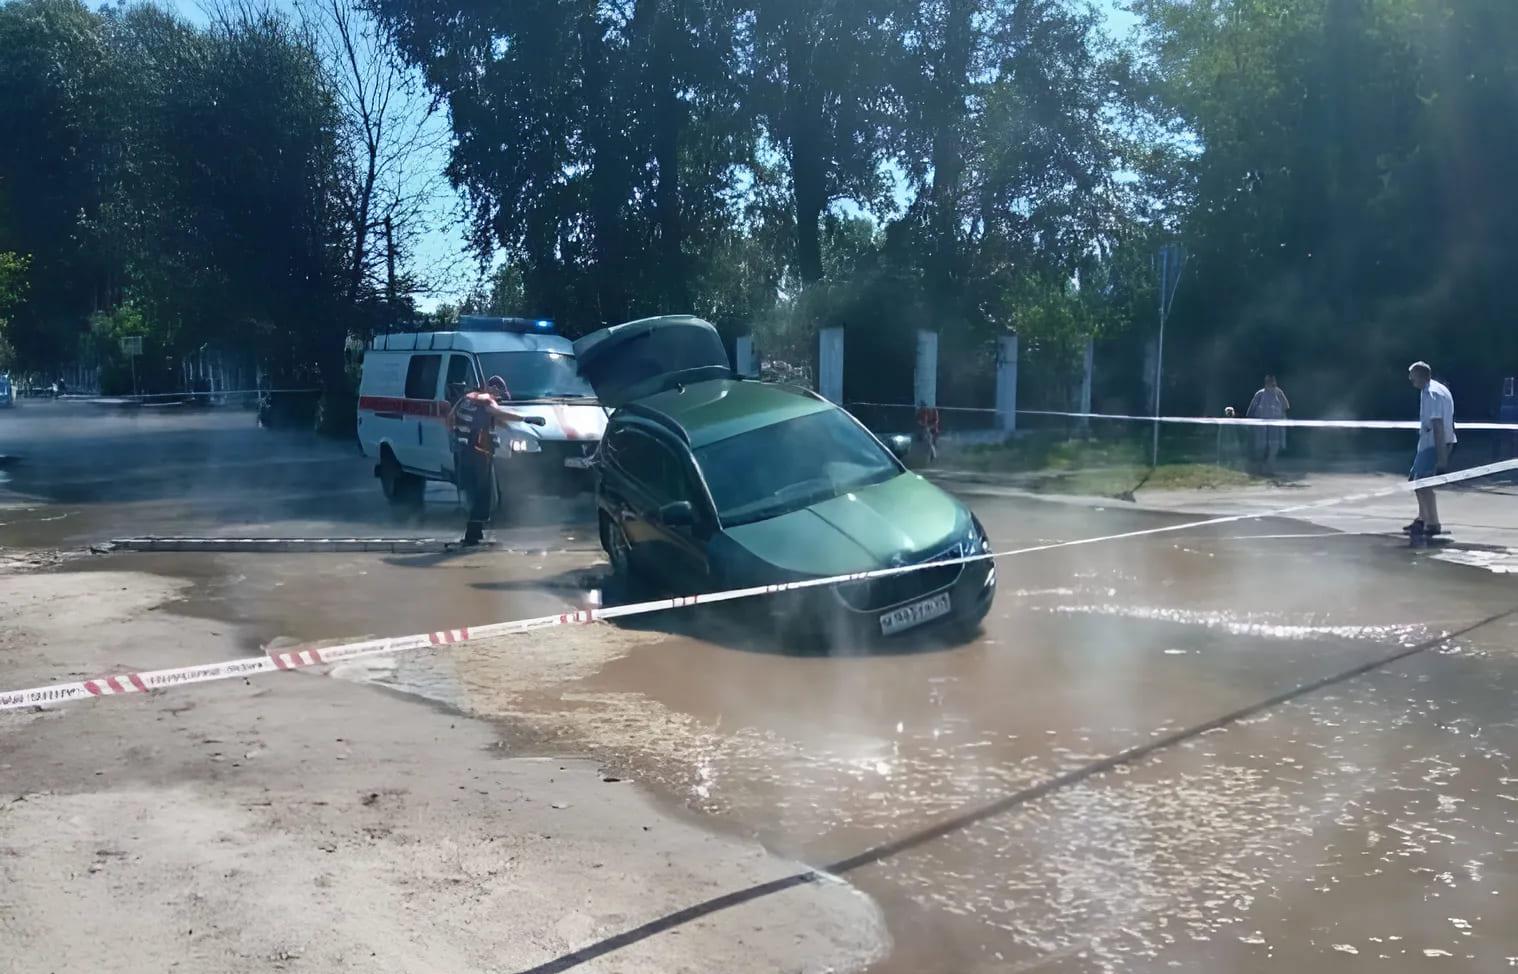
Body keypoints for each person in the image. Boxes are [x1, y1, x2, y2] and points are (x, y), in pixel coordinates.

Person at [449, 375, 541, 546]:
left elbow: (452, 420)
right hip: (478, 454)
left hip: (463, 452)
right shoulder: (485, 400)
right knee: (483, 493)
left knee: (475, 492)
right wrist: (526, 418)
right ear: (492, 389)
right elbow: (498, 413)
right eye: (498, 395)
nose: (498, 399)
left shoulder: (467, 399)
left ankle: (475, 533)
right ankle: (473, 535)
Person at [1406, 361, 1456, 538]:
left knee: (1423, 484)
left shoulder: (1431, 393)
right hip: (1429, 442)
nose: (1411, 381)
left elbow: (1437, 424)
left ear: (1420, 376)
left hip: (1434, 443)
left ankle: (1432, 523)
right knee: (1416, 480)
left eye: (1412, 377)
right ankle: (1422, 518)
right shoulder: (1436, 388)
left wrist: (1442, 457)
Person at [1246, 374, 1290, 476]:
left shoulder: (1279, 393)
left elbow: (1286, 406)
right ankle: (1259, 471)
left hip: (1275, 428)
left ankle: (1270, 471)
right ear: (1266, 383)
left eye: (1274, 382)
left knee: (1273, 449)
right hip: (1261, 429)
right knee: (1260, 449)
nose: (1273, 384)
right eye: (1270, 382)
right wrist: (1251, 423)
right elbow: (1251, 410)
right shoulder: (1260, 394)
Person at [914, 400, 941, 465]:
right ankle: (931, 457)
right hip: (925, 430)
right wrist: (924, 425)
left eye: (923, 406)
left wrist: (930, 427)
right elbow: (918, 420)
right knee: (928, 443)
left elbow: (936, 421)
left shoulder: (933, 410)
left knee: (932, 443)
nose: (922, 407)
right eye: (922, 406)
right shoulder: (920, 412)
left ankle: (934, 457)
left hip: (932, 430)